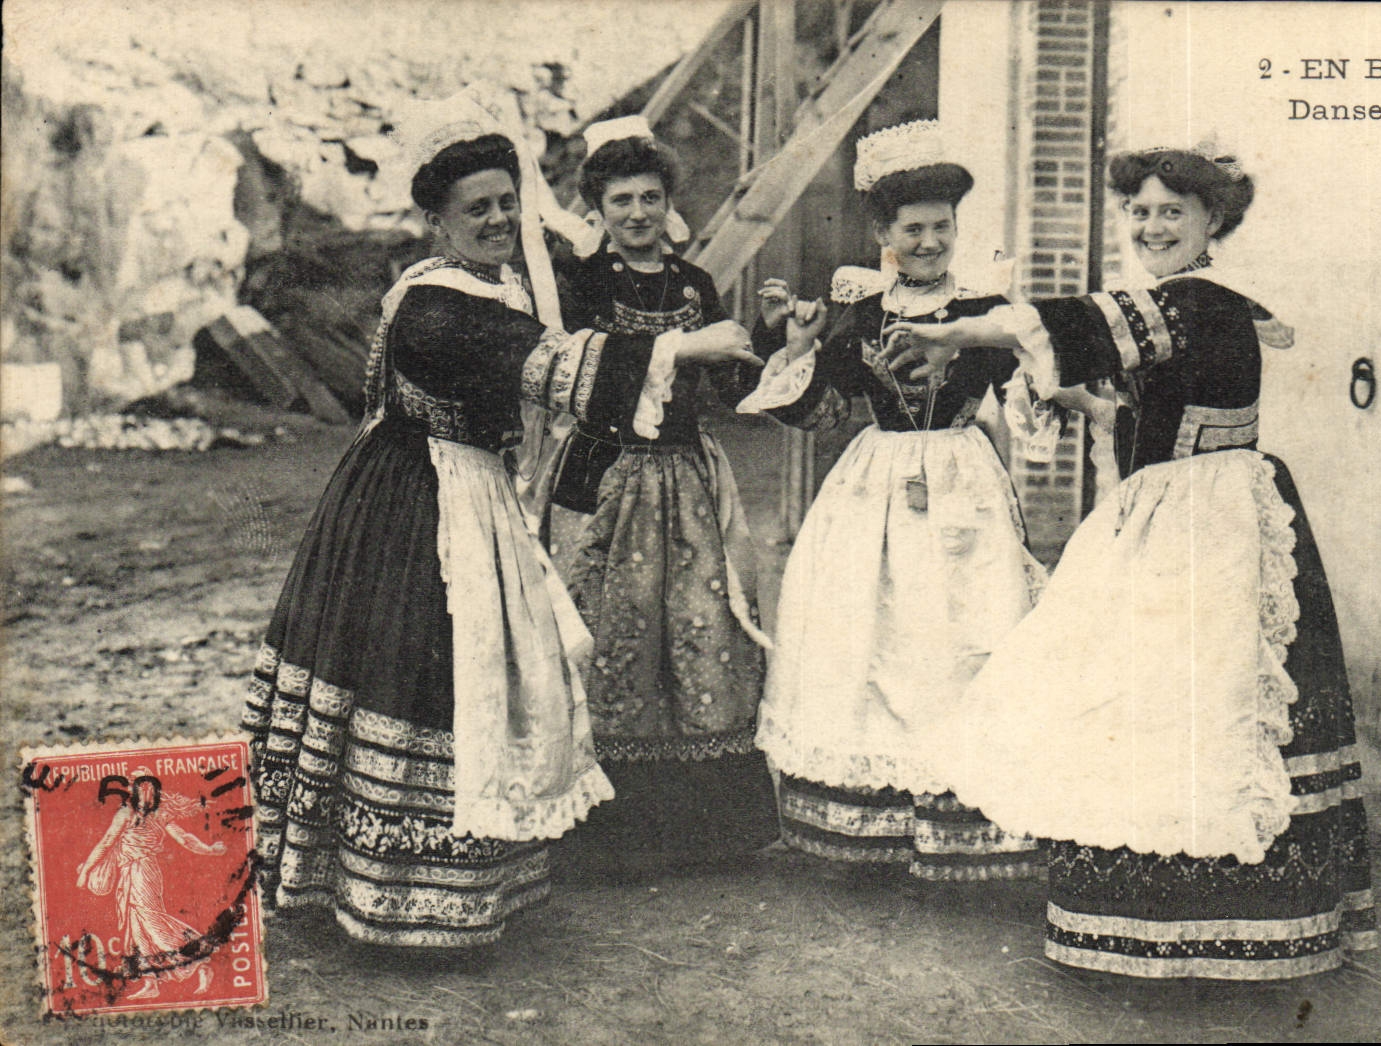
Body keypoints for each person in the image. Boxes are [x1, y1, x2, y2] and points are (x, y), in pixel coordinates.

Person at [243, 92, 762, 947]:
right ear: (437, 221)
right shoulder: (437, 299)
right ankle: (399, 894)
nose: (495, 218)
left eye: (504, 202)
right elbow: (549, 364)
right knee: (436, 669)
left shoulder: (494, 283)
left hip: (464, 487)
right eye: (474, 208)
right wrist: (681, 346)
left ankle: (472, 878)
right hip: (420, 499)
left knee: (482, 672)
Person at [885, 143, 1377, 977]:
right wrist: (1074, 395)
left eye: (1171, 213)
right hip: (1171, 510)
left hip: (1210, 524)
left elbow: (1062, 321)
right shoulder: (1177, 305)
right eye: (1139, 212)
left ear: (1212, 221)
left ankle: (1212, 926)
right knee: (1134, 697)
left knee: (1199, 705)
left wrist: (954, 331)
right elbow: (1137, 410)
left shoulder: (1198, 299)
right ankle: (1148, 921)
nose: (1151, 227)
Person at [738, 120, 1045, 881]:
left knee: (961, 630)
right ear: (883, 231)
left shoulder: (984, 306)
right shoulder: (862, 310)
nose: (932, 242)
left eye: (943, 226)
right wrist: (803, 347)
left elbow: (1024, 400)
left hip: (962, 478)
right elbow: (824, 416)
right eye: (915, 228)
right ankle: (868, 828)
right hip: (874, 483)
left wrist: (1034, 376)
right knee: (871, 637)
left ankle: (957, 824)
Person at [525, 116, 779, 877]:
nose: (636, 214)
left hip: (686, 480)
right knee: (607, 633)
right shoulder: (581, 286)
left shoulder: (696, 285)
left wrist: (766, 336)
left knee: (700, 634)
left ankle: (706, 831)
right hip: (602, 478)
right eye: (620, 200)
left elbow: (730, 385)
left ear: (668, 203)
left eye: (650, 197)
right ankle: (609, 834)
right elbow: (580, 377)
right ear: (598, 210)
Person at [77, 770, 224, 997]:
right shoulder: (137, 814)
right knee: (138, 929)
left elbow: (183, 838)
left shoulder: (146, 814)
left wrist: (209, 850)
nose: (146, 795)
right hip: (135, 873)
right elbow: (106, 843)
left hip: (143, 873)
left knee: (152, 923)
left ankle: (199, 960)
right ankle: (151, 983)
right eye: (142, 789)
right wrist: (209, 850)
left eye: (149, 790)